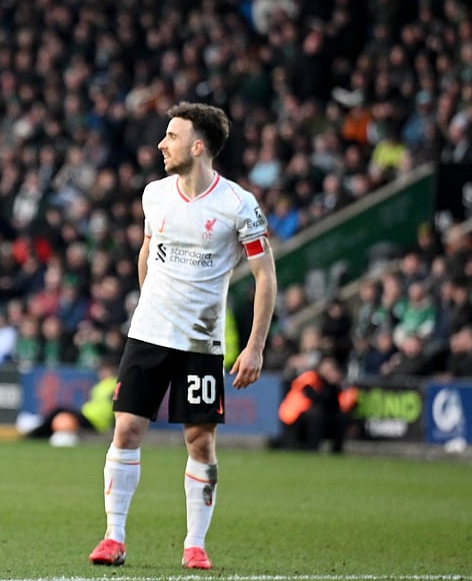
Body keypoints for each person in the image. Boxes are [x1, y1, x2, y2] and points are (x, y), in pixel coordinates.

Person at [87, 102, 277, 570]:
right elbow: (148, 250)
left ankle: (195, 543)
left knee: (200, 441)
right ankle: (113, 537)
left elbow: (265, 277)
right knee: (126, 429)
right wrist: (150, 300)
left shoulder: (238, 205)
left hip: (201, 342)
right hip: (148, 334)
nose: (160, 144)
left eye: (171, 136)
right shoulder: (154, 194)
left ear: (197, 146)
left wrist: (254, 346)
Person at [277, 355, 357, 452]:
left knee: (340, 417)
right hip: (297, 413)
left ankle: (337, 449)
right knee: (316, 415)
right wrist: (330, 385)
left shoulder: (335, 383)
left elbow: (336, 403)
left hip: (320, 411)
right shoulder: (310, 377)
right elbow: (315, 398)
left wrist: (334, 385)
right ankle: (313, 448)